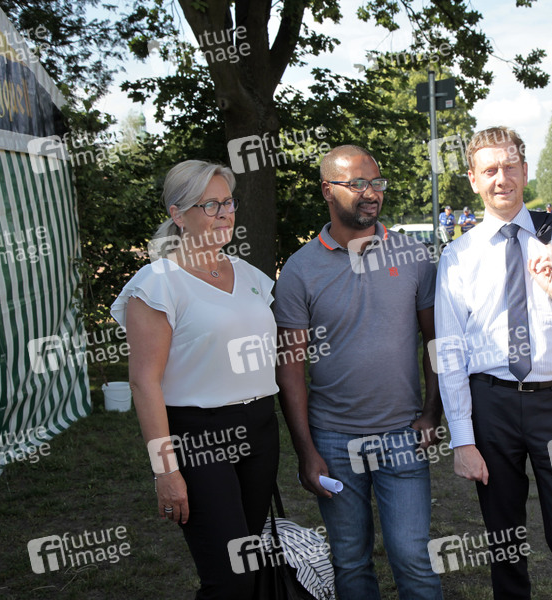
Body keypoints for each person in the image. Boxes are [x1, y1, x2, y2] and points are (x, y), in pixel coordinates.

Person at [434, 126, 552, 599]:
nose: (502, 178)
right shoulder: (458, 256)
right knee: (504, 542)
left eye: (510, 166)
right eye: (490, 170)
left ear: (525, 170)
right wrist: (463, 439)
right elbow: (450, 352)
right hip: (491, 406)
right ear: (473, 179)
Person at [274, 144, 444, 600]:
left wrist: (432, 412)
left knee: (413, 558)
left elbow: (436, 343)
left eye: (377, 182)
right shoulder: (300, 270)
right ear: (328, 190)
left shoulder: (412, 255)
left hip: (402, 435)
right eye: (358, 184)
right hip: (333, 440)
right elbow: (289, 370)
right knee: (350, 560)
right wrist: (306, 450)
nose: (372, 193)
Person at [111, 160, 280, 599]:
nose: (225, 213)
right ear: (178, 214)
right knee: (229, 578)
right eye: (210, 205)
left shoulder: (251, 276)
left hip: (261, 429)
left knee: (249, 563)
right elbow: (144, 383)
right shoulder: (157, 285)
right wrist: (165, 471)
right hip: (199, 436)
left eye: (228, 202)